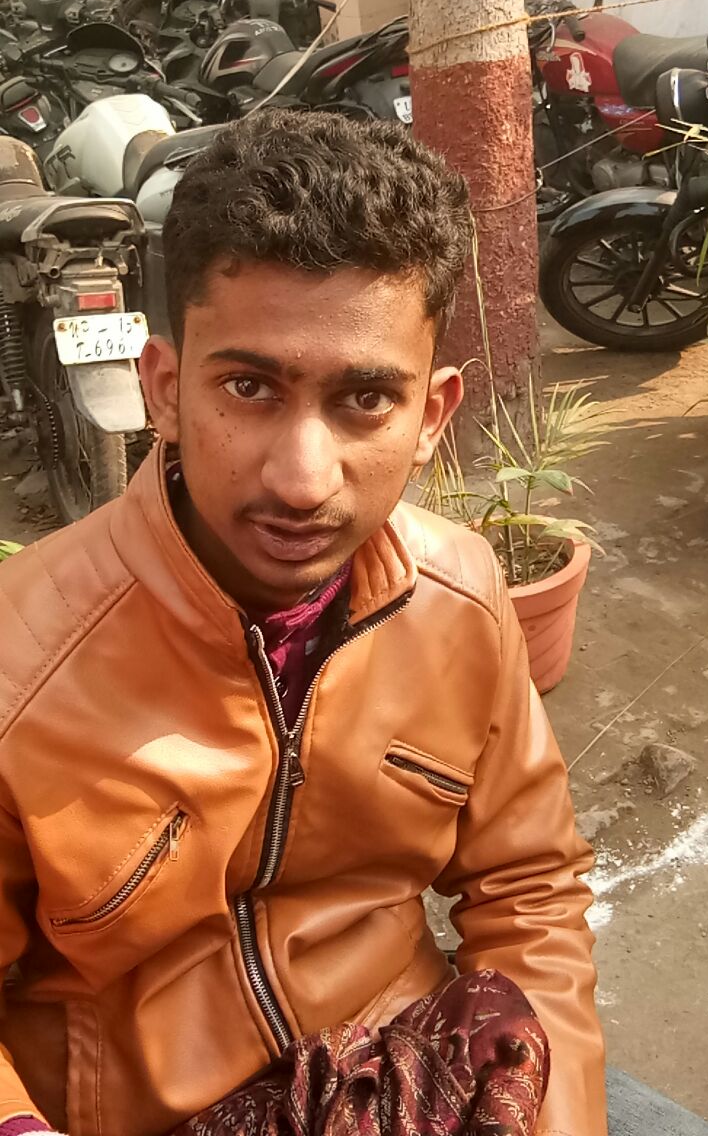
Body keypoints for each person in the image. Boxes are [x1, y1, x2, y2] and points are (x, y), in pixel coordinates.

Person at [0, 111, 605, 1136]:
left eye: (364, 398)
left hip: (404, 1066)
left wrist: (545, 1112)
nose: (300, 479)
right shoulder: (21, 659)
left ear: (430, 416)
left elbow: (529, 887)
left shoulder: (460, 594)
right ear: (164, 389)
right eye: (248, 387)